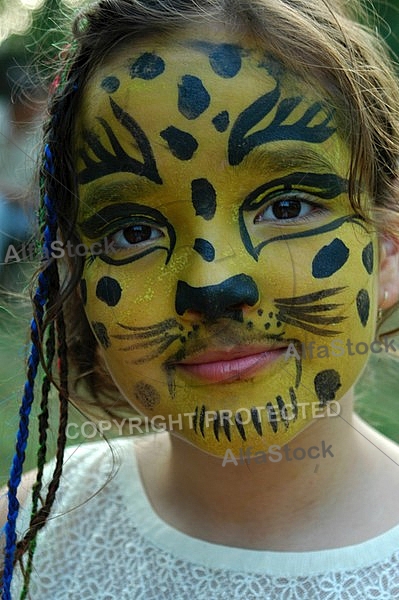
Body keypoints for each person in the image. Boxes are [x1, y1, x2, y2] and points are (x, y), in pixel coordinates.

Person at [1, 0, 399, 597]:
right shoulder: (28, 536)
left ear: (388, 250)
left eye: (286, 206)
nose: (213, 287)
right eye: (133, 230)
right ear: (76, 279)